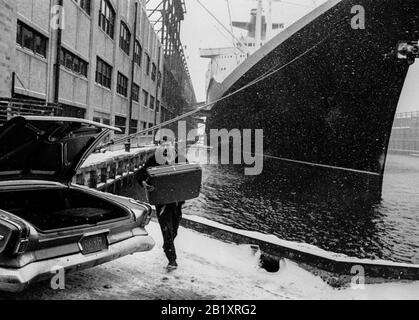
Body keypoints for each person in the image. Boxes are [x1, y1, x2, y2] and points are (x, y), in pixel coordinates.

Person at [136, 137, 185, 270]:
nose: (166, 148)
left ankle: (167, 246)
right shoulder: (154, 160)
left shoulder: (181, 159)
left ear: (173, 145)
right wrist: (144, 182)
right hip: (162, 201)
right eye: (164, 145)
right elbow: (140, 173)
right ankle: (172, 260)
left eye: (169, 145)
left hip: (176, 202)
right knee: (167, 231)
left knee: (174, 230)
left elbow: (188, 175)